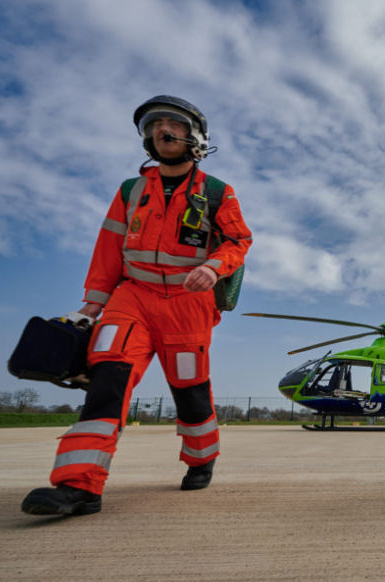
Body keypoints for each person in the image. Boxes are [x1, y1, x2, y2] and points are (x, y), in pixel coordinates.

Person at [22, 95, 252, 515]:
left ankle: (201, 459)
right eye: (154, 123)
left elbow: (240, 241)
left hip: (189, 303)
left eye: (173, 123)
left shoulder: (219, 192)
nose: (162, 129)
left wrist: (215, 267)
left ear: (195, 137)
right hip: (133, 297)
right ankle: (79, 486)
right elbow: (109, 248)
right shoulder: (131, 191)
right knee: (107, 379)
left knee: (190, 390)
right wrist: (92, 305)